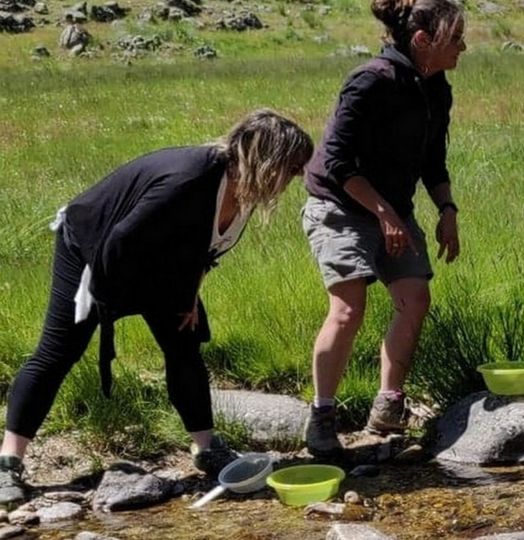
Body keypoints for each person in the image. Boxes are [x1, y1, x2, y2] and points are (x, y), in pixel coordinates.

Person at [0, 110, 314, 508]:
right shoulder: (188, 181)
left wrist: (188, 297)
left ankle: (206, 447)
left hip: (155, 262)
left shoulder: (241, 191)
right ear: (266, 160)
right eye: (293, 167)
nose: (298, 177)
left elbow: (202, 249)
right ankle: (8, 461)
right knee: (59, 350)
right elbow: (120, 243)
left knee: (185, 343)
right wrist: (111, 305)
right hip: (92, 247)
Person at [301, 0, 465, 456]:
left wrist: (447, 209)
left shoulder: (437, 88)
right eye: (455, 39)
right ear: (422, 41)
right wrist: (385, 215)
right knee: (349, 307)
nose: (463, 47)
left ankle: (388, 405)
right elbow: (336, 163)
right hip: (339, 204)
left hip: (391, 207)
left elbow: (432, 160)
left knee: (415, 298)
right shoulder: (370, 81)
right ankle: (322, 416)